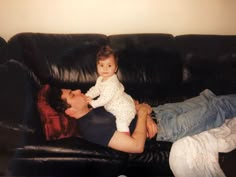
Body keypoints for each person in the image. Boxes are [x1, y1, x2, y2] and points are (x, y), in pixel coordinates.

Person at [48, 88, 236, 153]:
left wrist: (141, 110)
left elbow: (131, 103)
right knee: (217, 106)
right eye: (73, 94)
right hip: (167, 128)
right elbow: (136, 146)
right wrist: (143, 114)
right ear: (70, 111)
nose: (79, 91)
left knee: (207, 98)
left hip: (160, 112)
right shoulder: (91, 128)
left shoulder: (96, 102)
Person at [85, 45, 136, 134]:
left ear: (115, 68)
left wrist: (93, 103)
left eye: (109, 65)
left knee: (121, 124)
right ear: (97, 66)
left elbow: (105, 98)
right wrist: (87, 96)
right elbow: (96, 89)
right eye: (101, 65)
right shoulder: (100, 79)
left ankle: (125, 140)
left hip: (124, 109)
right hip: (120, 101)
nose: (105, 69)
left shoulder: (112, 83)